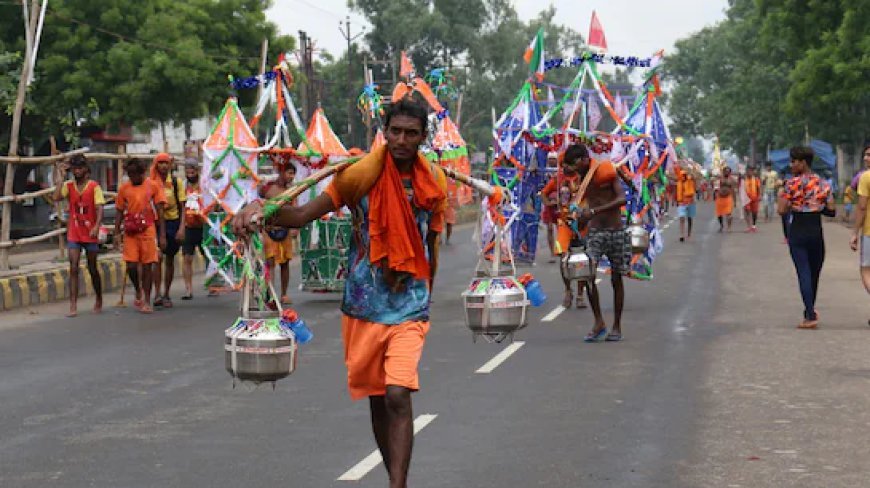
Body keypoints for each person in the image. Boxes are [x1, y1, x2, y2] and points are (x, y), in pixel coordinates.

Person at [235, 99, 446, 488]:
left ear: (422, 137)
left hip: (410, 305)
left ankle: (398, 485)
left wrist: (426, 290)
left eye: (411, 133)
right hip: (363, 305)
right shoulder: (357, 176)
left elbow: (431, 243)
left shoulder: (432, 182)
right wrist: (260, 209)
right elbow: (299, 215)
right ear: (384, 132)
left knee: (398, 393)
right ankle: (393, 476)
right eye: (395, 131)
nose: (401, 139)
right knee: (378, 398)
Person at [569, 144, 629, 343]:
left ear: (584, 160)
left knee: (616, 278)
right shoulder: (582, 182)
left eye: (576, 165)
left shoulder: (606, 172)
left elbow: (621, 199)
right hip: (595, 233)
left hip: (616, 230)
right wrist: (580, 218)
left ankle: (617, 325)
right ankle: (598, 322)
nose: (574, 170)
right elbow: (583, 207)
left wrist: (594, 212)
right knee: (586, 274)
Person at [778, 146, 835, 329]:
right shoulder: (823, 184)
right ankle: (809, 310)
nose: (791, 165)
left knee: (803, 272)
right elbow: (832, 210)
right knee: (814, 273)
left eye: (794, 161)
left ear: (803, 162)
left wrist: (793, 204)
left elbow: (781, 210)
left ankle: (810, 314)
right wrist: (817, 206)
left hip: (797, 231)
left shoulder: (790, 184)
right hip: (815, 231)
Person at [52, 154, 105, 317]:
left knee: (92, 267)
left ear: (86, 170)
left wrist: (97, 226)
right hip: (74, 231)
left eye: (80, 168)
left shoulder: (94, 187)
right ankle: (73, 304)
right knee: (73, 267)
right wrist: (60, 178)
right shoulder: (68, 186)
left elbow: (99, 208)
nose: (77, 171)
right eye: (75, 169)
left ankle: (98, 297)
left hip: (90, 231)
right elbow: (56, 197)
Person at [115, 159, 167, 314]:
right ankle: (138, 289)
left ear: (142, 173)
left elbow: (160, 211)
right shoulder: (124, 189)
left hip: (147, 230)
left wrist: (162, 235)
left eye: (136, 174)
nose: (133, 178)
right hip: (131, 230)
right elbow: (119, 211)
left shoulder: (153, 186)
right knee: (131, 265)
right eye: (130, 175)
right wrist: (116, 232)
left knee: (147, 266)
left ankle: (146, 299)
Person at [541, 152, 587, 308]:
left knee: (582, 260)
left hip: (582, 225)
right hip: (564, 224)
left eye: (570, 163)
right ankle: (568, 290)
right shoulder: (558, 180)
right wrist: (551, 204)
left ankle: (581, 295)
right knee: (564, 259)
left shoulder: (583, 179)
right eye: (564, 163)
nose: (566, 166)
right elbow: (544, 194)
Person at [150, 153, 186, 308]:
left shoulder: (176, 184)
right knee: (157, 258)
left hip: (173, 222)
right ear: (156, 165)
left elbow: (183, 207)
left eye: (166, 163)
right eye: (160, 163)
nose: (163, 166)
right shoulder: (151, 183)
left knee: (169, 259)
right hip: (156, 223)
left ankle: (166, 293)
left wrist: (182, 228)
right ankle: (156, 293)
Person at [260, 162, 297, 304]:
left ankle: (284, 294)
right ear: (282, 173)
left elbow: (295, 209)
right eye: (289, 173)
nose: (291, 176)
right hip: (269, 230)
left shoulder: (293, 190)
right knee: (269, 263)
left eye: (293, 173)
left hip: (285, 230)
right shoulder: (268, 189)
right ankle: (269, 293)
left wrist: (295, 228)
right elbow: (261, 206)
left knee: (285, 263)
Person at [181, 158, 208, 300]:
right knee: (187, 258)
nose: (190, 174)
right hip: (188, 226)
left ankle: (212, 283)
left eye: (192, 171)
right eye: (187, 171)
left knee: (208, 255)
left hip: (204, 225)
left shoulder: (205, 184)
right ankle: (188, 289)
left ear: (197, 171)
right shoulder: (183, 186)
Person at [849, 144, 870, 323]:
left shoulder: (866, 177)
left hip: (869, 232)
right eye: (865, 155)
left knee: (865, 270)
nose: (866, 158)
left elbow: (862, 206)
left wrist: (855, 232)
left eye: (869, 155)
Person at [539, 152, 560, 263]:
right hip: (548, 203)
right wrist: (547, 202)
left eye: (554, 159)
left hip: (560, 203)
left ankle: (560, 249)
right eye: (550, 159)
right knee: (550, 228)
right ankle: (552, 252)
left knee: (561, 227)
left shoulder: (561, 173)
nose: (552, 161)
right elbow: (541, 189)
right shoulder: (544, 172)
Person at [674, 164, 696, 242]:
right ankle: (681, 234)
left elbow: (694, 176)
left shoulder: (690, 181)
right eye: (681, 175)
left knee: (690, 218)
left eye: (684, 175)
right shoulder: (678, 183)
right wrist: (675, 201)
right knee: (682, 218)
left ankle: (689, 234)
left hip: (690, 202)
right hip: (681, 203)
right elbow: (676, 193)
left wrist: (690, 169)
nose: (683, 177)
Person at [715, 166, 737, 232]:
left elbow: (733, 190)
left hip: (728, 198)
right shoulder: (719, 178)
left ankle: (729, 227)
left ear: (730, 172)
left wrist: (735, 201)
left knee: (729, 213)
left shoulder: (732, 180)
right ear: (723, 171)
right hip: (720, 197)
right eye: (725, 171)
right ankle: (721, 226)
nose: (727, 172)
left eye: (728, 171)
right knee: (719, 214)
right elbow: (715, 187)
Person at [742, 166, 761, 232]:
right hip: (746, 198)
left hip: (754, 197)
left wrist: (759, 195)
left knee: (754, 212)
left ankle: (754, 225)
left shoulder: (756, 179)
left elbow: (758, 188)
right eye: (748, 171)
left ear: (752, 172)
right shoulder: (744, 179)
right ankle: (748, 226)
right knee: (747, 211)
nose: (749, 172)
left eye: (750, 171)